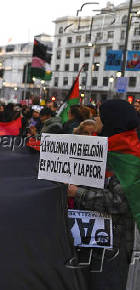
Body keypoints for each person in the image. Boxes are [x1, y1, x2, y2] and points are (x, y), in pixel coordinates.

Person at [68, 100, 138, 290]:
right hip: (92, 237)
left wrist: (78, 192)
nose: (96, 119)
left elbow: (119, 202)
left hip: (113, 244)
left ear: (112, 120)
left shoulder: (128, 155)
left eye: (100, 115)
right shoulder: (108, 147)